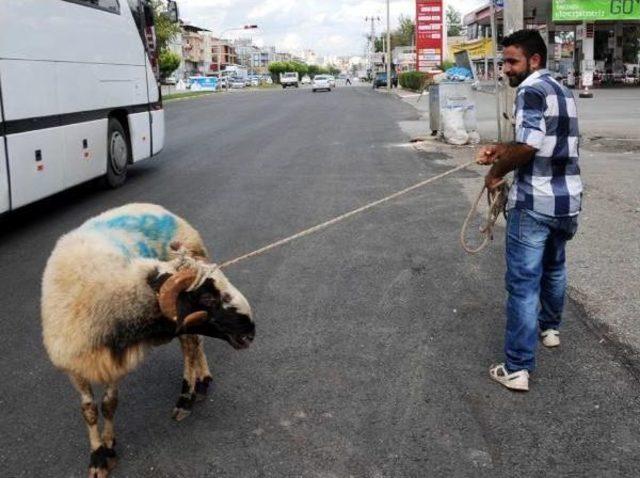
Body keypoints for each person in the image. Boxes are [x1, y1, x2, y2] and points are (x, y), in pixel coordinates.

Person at [476, 29, 582, 392]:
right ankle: (549, 329)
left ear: (534, 60)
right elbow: (535, 140)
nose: (505, 68)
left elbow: (529, 147)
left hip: (535, 202)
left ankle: (517, 367)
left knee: (522, 286)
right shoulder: (562, 90)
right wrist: (499, 147)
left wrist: (494, 172)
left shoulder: (530, 90)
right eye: (504, 61)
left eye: (511, 61)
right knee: (554, 268)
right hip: (567, 201)